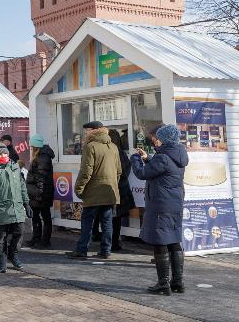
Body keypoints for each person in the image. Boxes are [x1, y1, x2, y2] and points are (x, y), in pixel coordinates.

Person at [131, 124, 188, 295]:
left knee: (160, 241)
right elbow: (161, 168)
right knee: (174, 240)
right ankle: (178, 282)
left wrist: (135, 158)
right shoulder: (177, 155)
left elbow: (142, 173)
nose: (156, 140)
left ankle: (163, 284)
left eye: (158, 138)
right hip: (174, 204)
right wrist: (148, 158)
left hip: (160, 204)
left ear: (164, 139)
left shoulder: (163, 157)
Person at [66, 121, 121, 260]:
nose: (85, 133)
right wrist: (113, 184)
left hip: (93, 191)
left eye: (87, 130)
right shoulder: (113, 146)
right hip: (109, 191)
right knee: (107, 222)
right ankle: (106, 251)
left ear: (95, 131)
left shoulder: (90, 146)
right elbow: (119, 171)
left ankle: (81, 250)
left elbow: (86, 171)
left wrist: (79, 188)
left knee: (87, 222)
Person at [0, 143, 32, 272]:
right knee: (1, 238)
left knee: (19, 233)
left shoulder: (15, 167)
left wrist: (26, 203)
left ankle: (13, 255)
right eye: (0, 154)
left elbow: (22, 187)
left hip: (17, 209)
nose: (3, 156)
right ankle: (1, 261)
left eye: (5, 153)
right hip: (2, 210)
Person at [25, 134, 55, 248]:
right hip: (37, 192)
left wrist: (39, 194)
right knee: (36, 217)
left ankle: (45, 241)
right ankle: (36, 238)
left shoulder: (43, 158)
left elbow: (41, 178)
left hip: (41, 194)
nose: (31, 148)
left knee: (45, 217)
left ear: (36, 146)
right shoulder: (40, 156)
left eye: (32, 146)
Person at [108, 129, 136, 251]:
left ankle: (110, 242)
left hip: (113, 188)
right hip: (121, 188)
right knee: (116, 218)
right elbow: (126, 169)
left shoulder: (110, 152)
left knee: (110, 217)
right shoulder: (121, 152)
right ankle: (114, 242)